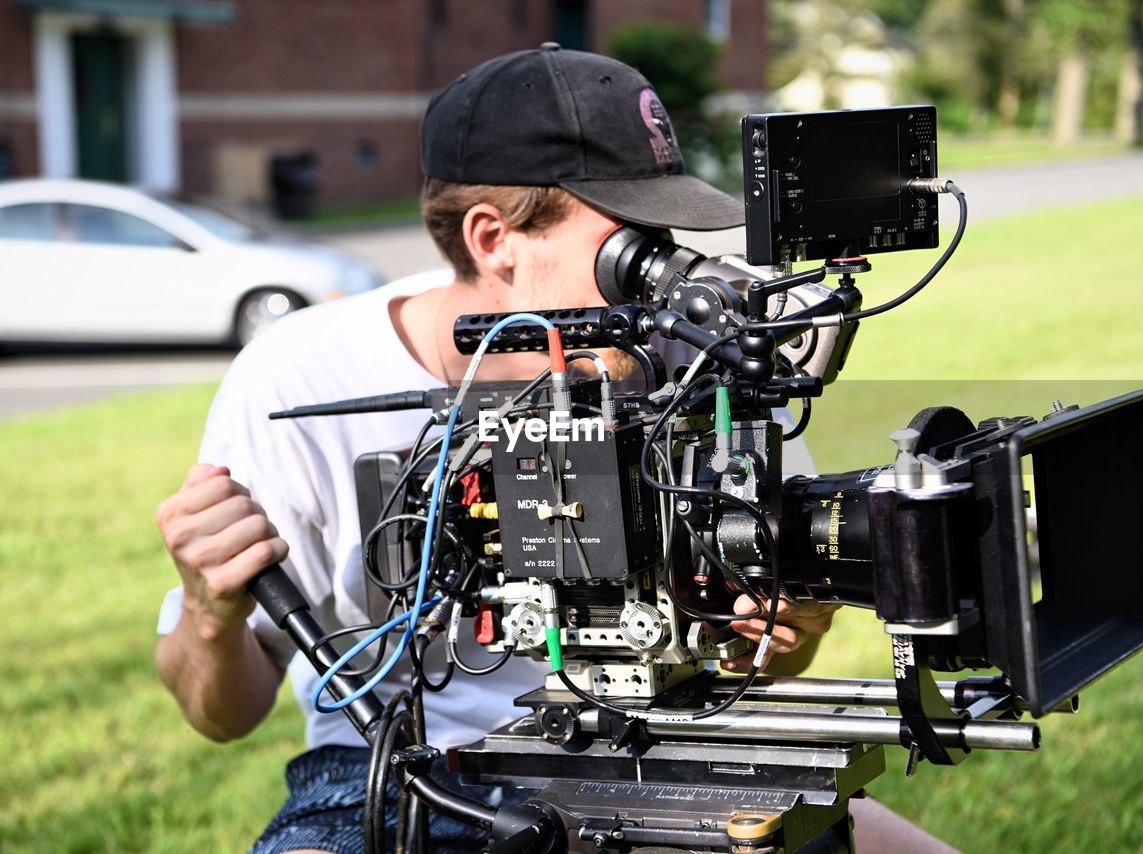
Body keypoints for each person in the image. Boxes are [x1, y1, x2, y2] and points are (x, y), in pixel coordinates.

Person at [154, 45, 951, 853]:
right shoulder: (298, 377)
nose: (662, 278)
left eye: (666, 239)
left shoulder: (693, 350)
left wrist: (790, 627)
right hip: (398, 765)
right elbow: (219, 714)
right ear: (495, 239)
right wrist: (209, 614)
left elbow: (775, 642)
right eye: (630, 252)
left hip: (662, 747)